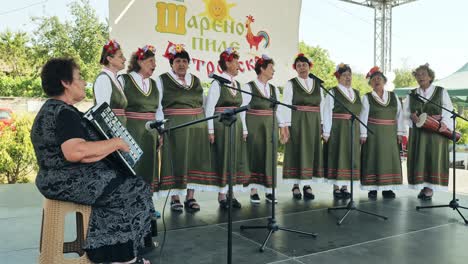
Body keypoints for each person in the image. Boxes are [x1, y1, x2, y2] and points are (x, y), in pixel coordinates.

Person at [31, 58, 154, 264]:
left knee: (126, 182)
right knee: (133, 189)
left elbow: (85, 153)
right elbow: (76, 152)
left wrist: (110, 151)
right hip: (67, 180)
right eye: (79, 77)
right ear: (65, 82)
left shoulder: (51, 109)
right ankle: (118, 257)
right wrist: (115, 143)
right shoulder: (64, 113)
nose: (84, 82)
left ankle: (122, 253)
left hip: (55, 179)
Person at [157, 44, 213, 212]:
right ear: (171, 64)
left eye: (184, 61)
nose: (181, 64)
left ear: (189, 63)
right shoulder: (163, 79)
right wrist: (160, 127)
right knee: (176, 159)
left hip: (197, 126)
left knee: (193, 160)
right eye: (177, 61)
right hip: (175, 127)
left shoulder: (195, 80)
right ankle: (175, 197)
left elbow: (203, 102)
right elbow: (158, 105)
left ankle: (190, 196)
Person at [205, 48, 249, 209]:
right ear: (228, 63)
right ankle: (222, 195)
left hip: (236, 125)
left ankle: (232, 193)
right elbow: (209, 109)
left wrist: (244, 129)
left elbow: (242, 109)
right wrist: (210, 130)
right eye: (236, 62)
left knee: (234, 158)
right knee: (223, 158)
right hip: (221, 125)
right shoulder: (217, 83)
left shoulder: (238, 84)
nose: (239, 65)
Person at [240, 54, 287, 203]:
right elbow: (242, 110)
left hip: (270, 125)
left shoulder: (274, 89)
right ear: (262, 68)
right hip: (254, 125)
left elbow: (278, 110)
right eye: (271, 68)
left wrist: (283, 126)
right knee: (255, 155)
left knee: (270, 156)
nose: (273, 71)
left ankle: (269, 190)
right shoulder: (249, 86)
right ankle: (253, 190)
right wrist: (245, 129)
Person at [403, 63, 454, 200]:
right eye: (417, 75)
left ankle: (430, 188)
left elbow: (449, 110)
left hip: (435, 132)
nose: (420, 77)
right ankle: (424, 186)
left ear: (430, 76)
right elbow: (405, 113)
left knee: (433, 157)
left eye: (423, 74)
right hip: (419, 133)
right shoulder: (412, 94)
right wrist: (411, 117)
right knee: (421, 158)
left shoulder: (441, 91)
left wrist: (444, 122)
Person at [120, 45, 163, 194]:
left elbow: (159, 111)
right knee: (132, 166)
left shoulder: (154, 84)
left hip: (150, 134)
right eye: (151, 61)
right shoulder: (124, 80)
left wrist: (160, 132)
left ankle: (147, 205)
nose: (154, 65)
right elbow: (118, 106)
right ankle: (129, 203)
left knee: (148, 167)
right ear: (140, 61)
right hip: (131, 131)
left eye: (154, 61)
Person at [281, 53, 325, 200]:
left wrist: (323, 124)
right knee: (297, 150)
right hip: (298, 121)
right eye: (298, 65)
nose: (302, 68)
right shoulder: (291, 83)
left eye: (304, 65)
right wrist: (285, 125)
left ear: (309, 66)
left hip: (313, 121)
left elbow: (322, 105)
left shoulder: (317, 84)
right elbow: (286, 105)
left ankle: (307, 184)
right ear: (295, 68)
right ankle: (295, 185)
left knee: (310, 151)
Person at [359, 66, 405, 199]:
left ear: (385, 81)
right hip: (373, 134)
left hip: (391, 134)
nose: (377, 81)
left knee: (389, 160)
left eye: (379, 78)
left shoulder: (393, 96)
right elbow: (363, 117)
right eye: (373, 79)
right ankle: (372, 188)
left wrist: (400, 132)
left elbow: (399, 115)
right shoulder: (367, 98)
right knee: (373, 158)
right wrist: (363, 134)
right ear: (370, 83)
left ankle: (388, 188)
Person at [323, 63, 362, 199]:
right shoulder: (333, 92)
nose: (348, 78)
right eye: (344, 75)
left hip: (353, 128)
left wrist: (362, 133)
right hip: (338, 129)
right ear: (338, 77)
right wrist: (326, 132)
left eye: (349, 75)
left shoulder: (356, 93)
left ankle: (346, 186)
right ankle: (336, 187)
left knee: (350, 155)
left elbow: (361, 114)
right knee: (338, 154)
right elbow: (327, 112)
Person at [93, 39, 127, 125]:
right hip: (112, 132)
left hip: (120, 130)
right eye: (120, 56)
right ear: (109, 59)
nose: (124, 59)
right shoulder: (103, 79)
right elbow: (103, 112)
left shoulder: (117, 80)